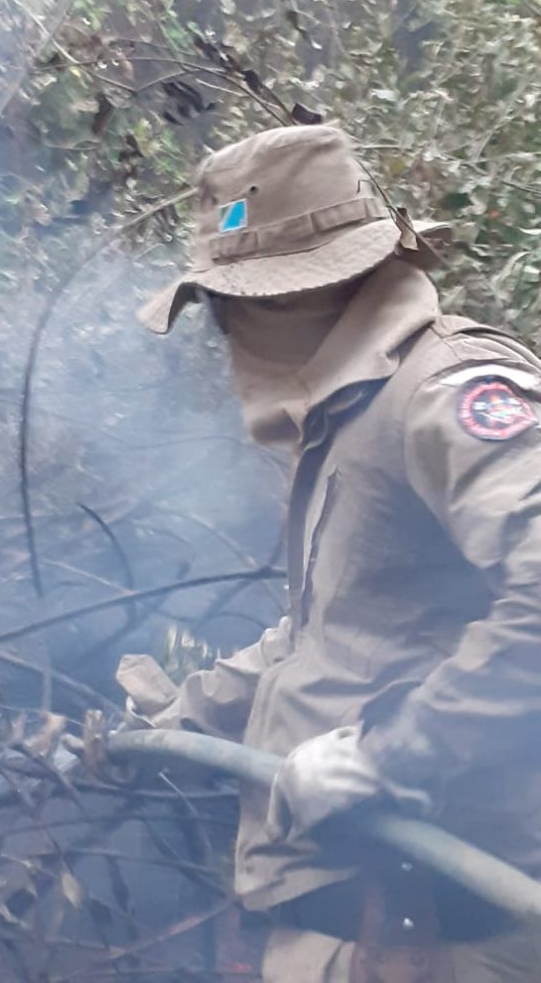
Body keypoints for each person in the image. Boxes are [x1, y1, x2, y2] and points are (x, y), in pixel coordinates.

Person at [113, 124, 541, 981]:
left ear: (287, 298)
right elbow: (332, 637)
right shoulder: (354, 415)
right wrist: (181, 720)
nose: (223, 333)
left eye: (227, 307)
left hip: (430, 931)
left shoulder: (442, 388)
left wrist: (389, 755)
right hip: (370, 926)